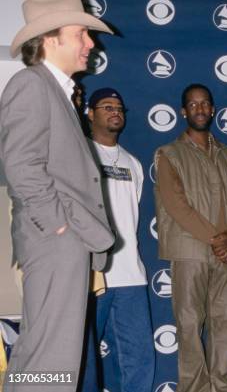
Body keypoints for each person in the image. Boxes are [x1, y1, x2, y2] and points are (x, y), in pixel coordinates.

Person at [0, 0, 115, 391]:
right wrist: (60, 227)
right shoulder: (32, 85)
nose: (91, 43)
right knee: (53, 359)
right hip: (55, 241)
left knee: (41, 358)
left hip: (60, 242)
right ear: (51, 38)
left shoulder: (56, 93)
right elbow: (20, 165)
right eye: (82, 33)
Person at [154, 83, 227, 392]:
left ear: (213, 109)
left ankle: (223, 387)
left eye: (204, 103)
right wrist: (217, 239)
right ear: (183, 111)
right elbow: (176, 205)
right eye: (192, 104)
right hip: (190, 252)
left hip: (226, 255)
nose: (199, 109)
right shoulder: (169, 154)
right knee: (190, 326)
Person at [79, 88, 154, 391]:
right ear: (90, 113)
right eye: (107, 106)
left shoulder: (133, 164)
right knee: (81, 360)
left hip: (131, 277)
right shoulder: (77, 154)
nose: (115, 112)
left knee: (139, 359)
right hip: (90, 276)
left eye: (120, 107)